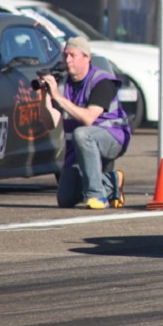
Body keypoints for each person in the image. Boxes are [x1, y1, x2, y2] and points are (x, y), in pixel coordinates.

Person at [40, 37, 132, 210]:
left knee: (82, 133)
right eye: (65, 56)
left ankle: (97, 196)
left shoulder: (103, 82)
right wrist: (46, 95)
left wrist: (58, 98)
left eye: (72, 55)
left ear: (87, 57)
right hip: (81, 146)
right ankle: (111, 181)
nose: (67, 60)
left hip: (113, 138)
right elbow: (49, 123)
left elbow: (89, 118)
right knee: (65, 199)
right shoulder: (62, 85)